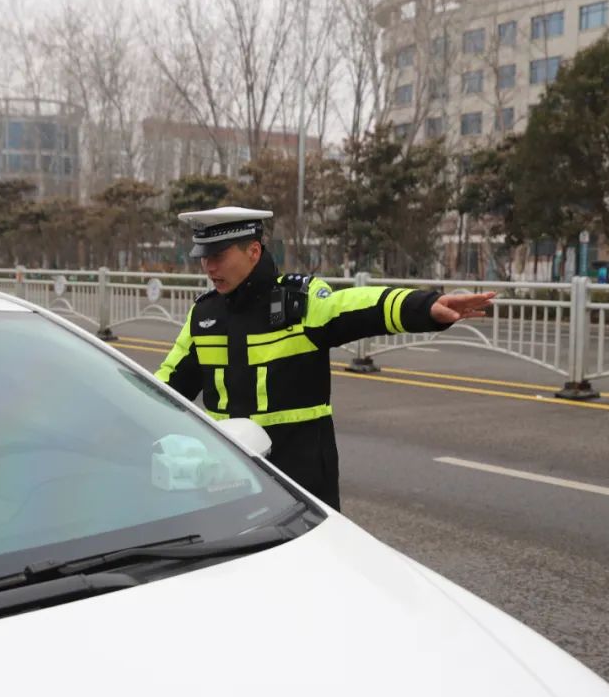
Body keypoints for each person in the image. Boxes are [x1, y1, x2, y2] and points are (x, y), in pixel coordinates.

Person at [155, 207, 495, 511]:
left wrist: (426, 307)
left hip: (300, 482)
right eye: (203, 256)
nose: (208, 266)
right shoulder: (204, 315)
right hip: (229, 481)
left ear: (253, 251)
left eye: (218, 255)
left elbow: (359, 307)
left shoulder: (298, 303)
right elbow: (163, 388)